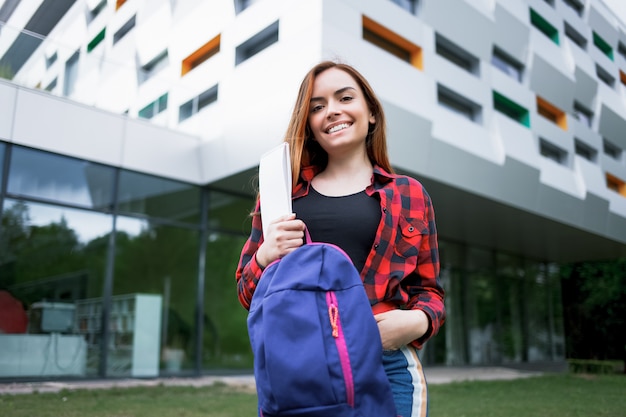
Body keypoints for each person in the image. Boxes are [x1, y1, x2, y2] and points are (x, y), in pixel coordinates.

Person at [236, 60, 445, 417]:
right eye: (317, 107)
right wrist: (266, 256)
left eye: (344, 98)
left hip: (389, 367)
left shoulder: (410, 195)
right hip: (302, 368)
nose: (331, 111)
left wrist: (417, 322)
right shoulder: (281, 196)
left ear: (371, 113)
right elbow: (247, 294)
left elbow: (430, 292)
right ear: (310, 124)